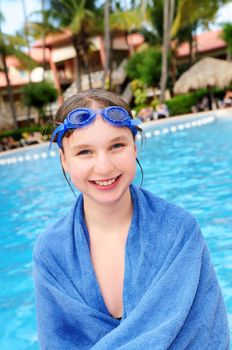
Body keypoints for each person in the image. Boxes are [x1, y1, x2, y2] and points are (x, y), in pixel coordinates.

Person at [33, 89, 230, 349]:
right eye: (85, 152)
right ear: (65, 161)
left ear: (134, 148)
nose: (104, 166)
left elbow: (206, 334)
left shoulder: (178, 231)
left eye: (117, 146)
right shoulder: (52, 253)